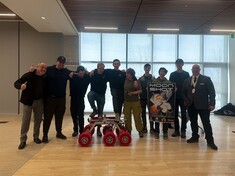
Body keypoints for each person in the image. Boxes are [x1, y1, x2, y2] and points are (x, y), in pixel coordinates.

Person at [182, 64, 218, 150]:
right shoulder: (187, 80)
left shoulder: (206, 79)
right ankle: (195, 137)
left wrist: (212, 103)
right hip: (191, 105)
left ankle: (210, 141)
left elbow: (212, 92)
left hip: (204, 106)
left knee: (206, 123)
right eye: (193, 68)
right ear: (191, 70)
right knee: (193, 122)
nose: (195, 70)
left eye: (197, 68)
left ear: (199, 69)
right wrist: (186, 100)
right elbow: (183, 92)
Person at [14, 62, 47, 149]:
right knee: (26, 121)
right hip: (28, 102)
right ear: (37, 67)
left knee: (38, 120)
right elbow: (16, 83)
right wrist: (21, 86)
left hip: (39, 102)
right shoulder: (29, 75)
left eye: (45, 68)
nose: (43, 69)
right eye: (41, 67)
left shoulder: (44, 77)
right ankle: (23, 140)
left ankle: (36, 137)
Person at [42, 56, 72, 143]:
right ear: (56, 62)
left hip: (61, 99)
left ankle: (59, 132)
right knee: (48, 118)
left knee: (59, 117)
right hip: (50, 99)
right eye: (59, 62)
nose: (61, 64)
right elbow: (39, 73)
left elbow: (76, 73)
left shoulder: (66, 71)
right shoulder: (48, 69)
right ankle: (45, 135)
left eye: (62, 63)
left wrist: (88, 71)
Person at [169, 59, 190, 138]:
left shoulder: (186, 74)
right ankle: (176, 130)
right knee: (175, 115)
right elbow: (170, 85)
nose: (179, 65)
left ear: (183, 64)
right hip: (174, 98)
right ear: (176, 64)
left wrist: (187, 98)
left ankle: (183, 130)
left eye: (180, 63)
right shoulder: (172, 74)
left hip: (183, 98)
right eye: (177, 63)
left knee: (184, 115)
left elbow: (188, 86)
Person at [87, 62, 108, 136]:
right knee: (89, 95)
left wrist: (123, 71)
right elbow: (85, 74)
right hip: (94, 93)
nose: (101, 70)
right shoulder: (93, 73)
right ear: (97, 68)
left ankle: (98, 130)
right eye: (100, 68)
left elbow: (114, 72)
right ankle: (94, 109)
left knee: (100, 114)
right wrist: (89, 71)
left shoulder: (106, 74)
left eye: (103, 68)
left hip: (101, 95)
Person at [69, 66, 90, 137]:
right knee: (74, 115)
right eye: (79, 72)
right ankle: (75, 129)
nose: (81, 73)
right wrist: (72, 73)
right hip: (73, 98)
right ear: (77, 72)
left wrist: (88, 72)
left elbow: (91, 75)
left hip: (81, 99)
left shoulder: (86, 78)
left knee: (81, 115)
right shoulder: (73, 77)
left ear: (84, 72)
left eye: (82, 72)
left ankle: (81, 130)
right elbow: (65, 72)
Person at [152, 67, 172, 139]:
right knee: (157, 117)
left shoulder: (168, 82)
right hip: (156, 102)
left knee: (164, 117)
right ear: (159, 72)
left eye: (163, 71)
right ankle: (157, 132)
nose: (162, 73)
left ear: (165, 73)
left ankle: (165, 132)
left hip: (165, 103)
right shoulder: (154, 81)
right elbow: (150, 90)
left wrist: (174, 89)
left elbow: (171, 91)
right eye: (161, 71)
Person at [124, 68, 144, 138]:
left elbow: (140, 91)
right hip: (126, 101)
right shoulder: (124, 80)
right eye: (126, 73)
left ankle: (140, 130)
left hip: (135, 101)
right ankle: (128, 130)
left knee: (137, 116)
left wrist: (132, 93)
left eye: (128, 73)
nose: (127, 75)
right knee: (127, 117)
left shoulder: (136, 81)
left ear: (132, 74)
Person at [139, 63, 154, 133]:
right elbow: (137, 87)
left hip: (151, 99)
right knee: (143, 113)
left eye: (149, 68)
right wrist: (139, 81)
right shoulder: (141, 78)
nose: (147, 69)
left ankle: (152, 128)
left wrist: (154, 81)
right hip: (142, 98)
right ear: (144, 69)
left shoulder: (153, 78)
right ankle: (144, 127)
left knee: (152, 113)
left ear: (150, 69)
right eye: (146, 68)